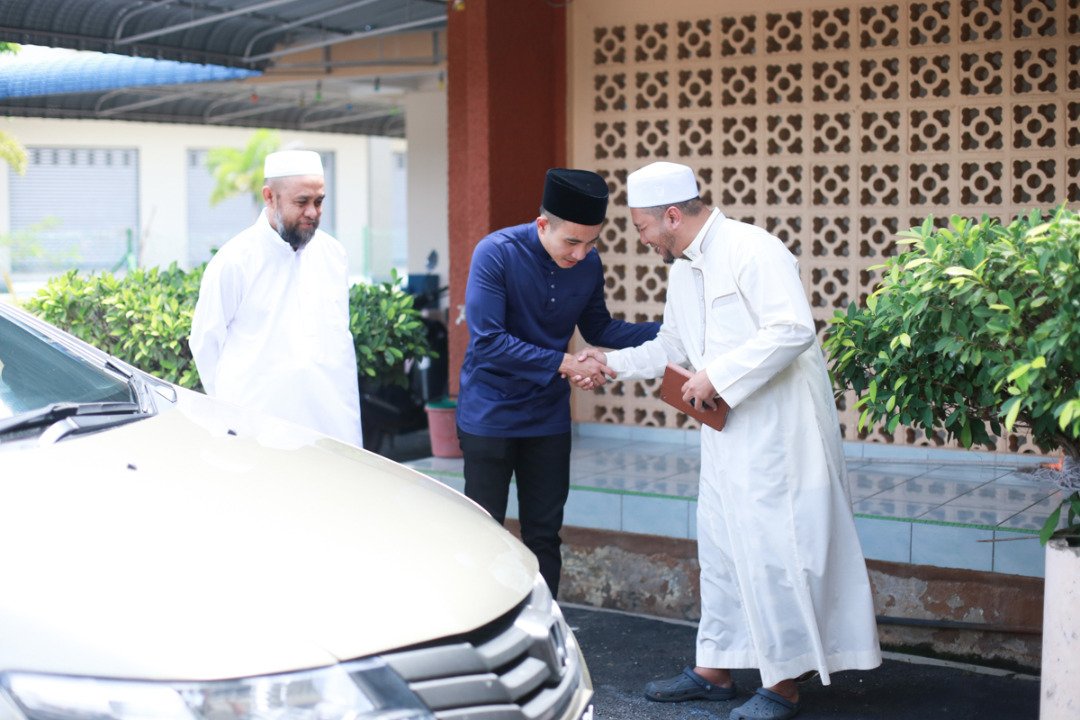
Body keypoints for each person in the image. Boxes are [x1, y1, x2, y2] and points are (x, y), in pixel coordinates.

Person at [577, 161, 880, 720]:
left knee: (774, 552)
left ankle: (783, 683)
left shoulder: (752, 248)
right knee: (720, 548)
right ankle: (716, 669)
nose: (642, 240)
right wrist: (609, 364)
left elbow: (792, 329)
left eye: (643, 227)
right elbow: (672, 346)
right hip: (725, 433)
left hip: (779, 434)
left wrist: (717, 376)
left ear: (672, 215)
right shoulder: (683, 270)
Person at [457, 168, 660, 598]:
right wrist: (566, 363)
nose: (581, 254)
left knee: (545, 534)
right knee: (483, 532)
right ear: (542, 224)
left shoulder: (587, 263)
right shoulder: (496, 253)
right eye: (571, 242)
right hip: (489, 414)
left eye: (591, 243)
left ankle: (546, 623)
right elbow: (489, 341)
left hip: (547, 416)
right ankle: (485, 622)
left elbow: (600, 329)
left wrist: (674, 331)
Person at [190, 149, 362, 447]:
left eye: (319, 201)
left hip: (333, 426)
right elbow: (206, 343)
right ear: (270, 197)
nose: (313, 212)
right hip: (257, 435)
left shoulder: (334, 255)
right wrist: (233, 417)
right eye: (302, 202)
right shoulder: (235, 260)